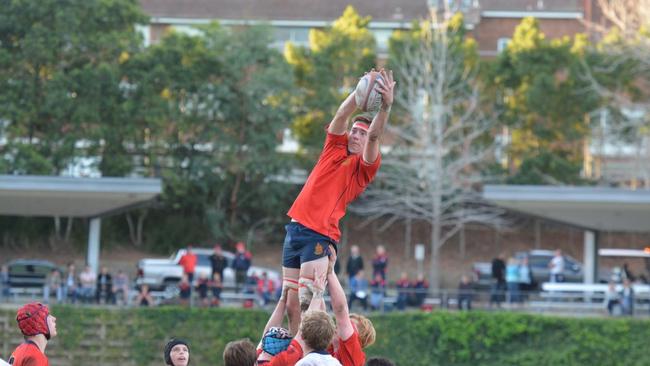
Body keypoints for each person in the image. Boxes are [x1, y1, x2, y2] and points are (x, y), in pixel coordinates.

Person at [282, 69, 395, 335]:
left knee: (309, 300)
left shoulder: (363, 167)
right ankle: (295, 352)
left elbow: (376, 136)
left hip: (320, 234)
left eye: (361, 134)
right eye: (354, 132)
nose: (356, 135)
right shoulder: (334, 148)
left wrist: (386, 106)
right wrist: (360, 92)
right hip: (295, 228)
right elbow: (342, 114)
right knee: (290, 305)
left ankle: (315, 351)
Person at [326, 250, 376, 366]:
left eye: (350, 324)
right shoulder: (329, 349)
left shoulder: (355, 356)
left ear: (358, 338)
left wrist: (330, 270)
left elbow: (341, 311)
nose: (339, 326)